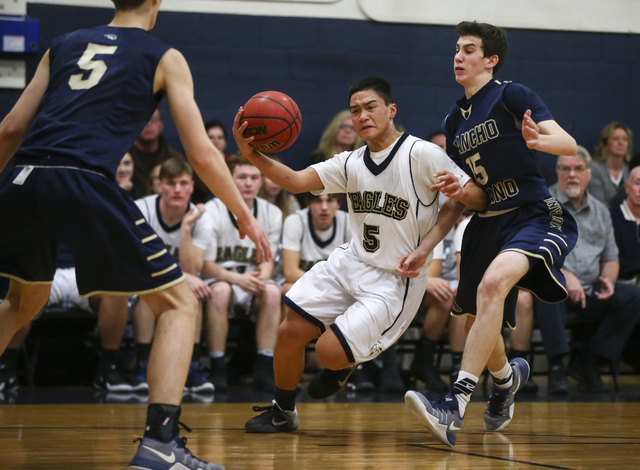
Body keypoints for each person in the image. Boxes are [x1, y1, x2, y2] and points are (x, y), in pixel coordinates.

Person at [0, 1, 271, 469]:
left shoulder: (61, 45)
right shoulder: (163, 56)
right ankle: (161, 445)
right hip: (82, 180)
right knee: (180, 303)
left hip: (22, 177)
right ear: (156, 2)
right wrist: (242, 211)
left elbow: (9, 128)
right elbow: (202, 155)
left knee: (23, 303)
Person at [236, 76, 487, 433]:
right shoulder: (349, 161)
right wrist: (251, 154)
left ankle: (343, 363)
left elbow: (475, 197)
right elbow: (294, 181)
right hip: (352, 261)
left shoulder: (422, 153)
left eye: (371, 107)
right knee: (289, 330)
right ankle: (282, 411)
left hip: (395, 279)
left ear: (390, 110)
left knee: (327, 352)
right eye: (356, 110)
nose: (363, 115)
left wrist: (428, 244)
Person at [404, 21, 579, 447]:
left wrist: (539, 142)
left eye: (469, 50)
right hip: (489, 221)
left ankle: (454, 404)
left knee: (494, 284)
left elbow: (569, 142)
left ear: (491, 59)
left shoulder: (511, 95)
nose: (458, 57)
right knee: (480, 315)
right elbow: (469, 200)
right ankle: (505, 380)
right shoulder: (454, 121)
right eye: (456, 49)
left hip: (533, 214)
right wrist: (426, 245)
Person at [534, 147, 640, 393]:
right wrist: (566, 276)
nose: (572, 174)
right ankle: (557, 366)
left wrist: (609, 281)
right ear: (558, 173)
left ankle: (589, 361)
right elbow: (538, 253)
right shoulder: (543, 206)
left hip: (591, 288)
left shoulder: (601, 211)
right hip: (556, 284)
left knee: (633, 298)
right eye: (566, 169)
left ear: (589, 174)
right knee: (548, 291)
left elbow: (611, 258)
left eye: (579, 169)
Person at [131, 157, 214, 394]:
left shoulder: (200, 217)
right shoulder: (141, 209)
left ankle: (192, 366)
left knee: (193, 293)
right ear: (159, 186)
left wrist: (186, 228)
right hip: (141, 279)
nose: (177, 189)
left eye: (183, 183)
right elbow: (137, 260)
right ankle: (142, 365)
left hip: (177, 280)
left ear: (191, 186)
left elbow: (192, 269)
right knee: (150, 291)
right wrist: (184, 277)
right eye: (171, 183)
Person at [201, 155, 283, 392]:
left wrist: (260, 278)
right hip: (221, 279)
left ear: (261, 181)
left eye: (254, 177)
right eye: (242, 177)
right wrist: (238, 279)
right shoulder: (211, 210)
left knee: (272, 293)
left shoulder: (273, 213)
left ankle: (264, 367)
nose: (248, 183)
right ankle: (218, 366)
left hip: (253, 280)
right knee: (220, 291)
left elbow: (269, 260)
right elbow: (205, 266)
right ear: (230, 179)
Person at [588, 122, 633, 206]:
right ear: (605, 145)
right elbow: (598, 204)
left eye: (625, 139)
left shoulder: (630, 171)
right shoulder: (594, 169)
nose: (621, 142)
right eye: (616, 138)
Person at [191, 119, 232, 204]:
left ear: (225, 142)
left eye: (220, 137)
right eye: (211, 137)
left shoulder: (232, 162)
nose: (216, 142)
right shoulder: (194, 162)